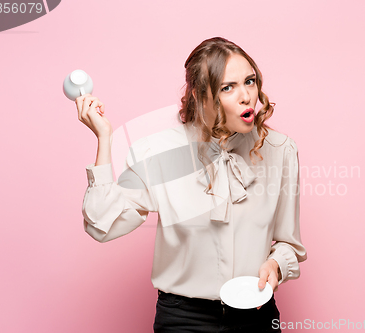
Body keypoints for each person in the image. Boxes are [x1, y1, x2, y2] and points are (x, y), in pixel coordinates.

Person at [77, 37, 307, 332]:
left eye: (250, 81)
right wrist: (104, 138)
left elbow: (290, 243)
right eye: (228, 87)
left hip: (256, 314)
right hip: (183, 319)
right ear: (200, 96)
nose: (246, 96)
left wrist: (276, 266)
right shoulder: (157, 153)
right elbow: (102, 225)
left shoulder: (280, 150)